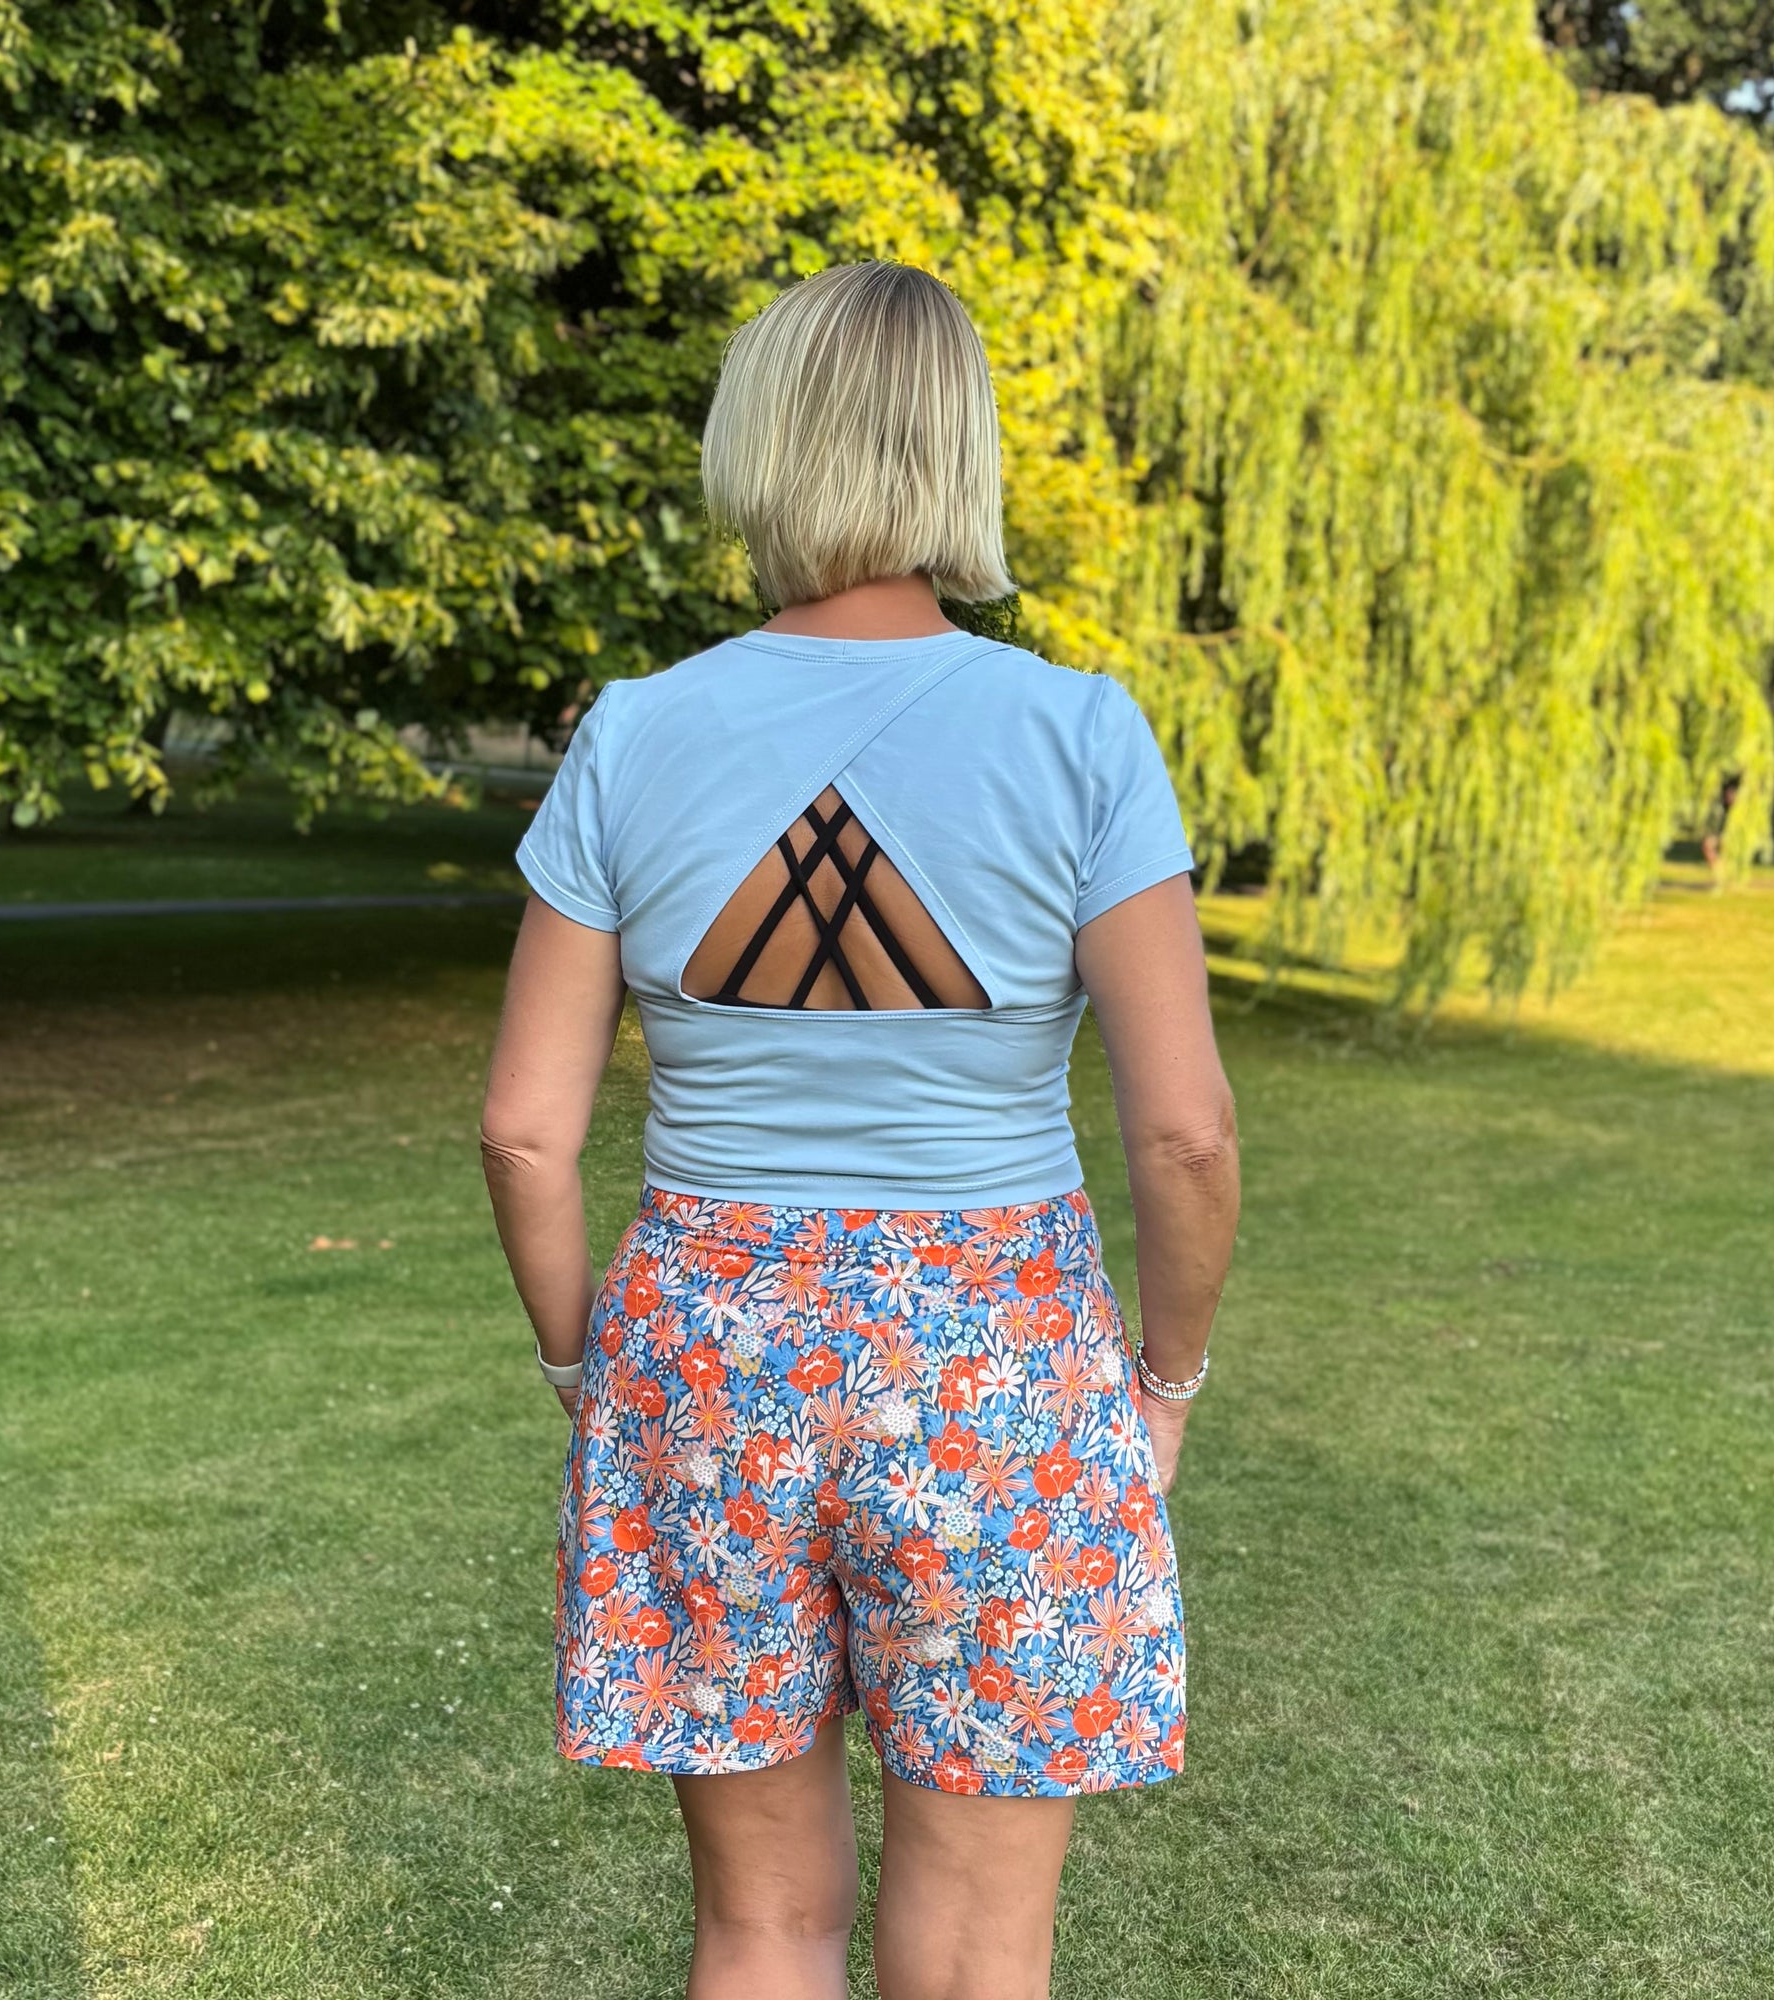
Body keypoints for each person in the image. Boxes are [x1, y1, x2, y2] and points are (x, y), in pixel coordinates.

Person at [479, 261, 1240, 2000]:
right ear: (959, 454)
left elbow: (525, 1134)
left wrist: (588, 1370)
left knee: (761, 1923)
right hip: (1002, 1366)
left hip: (706, 1349)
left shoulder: (636, 733)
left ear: (758, 445)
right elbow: (1187, 1139)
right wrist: (1167, 1385)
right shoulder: (1078, 733)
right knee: (978, 1942)